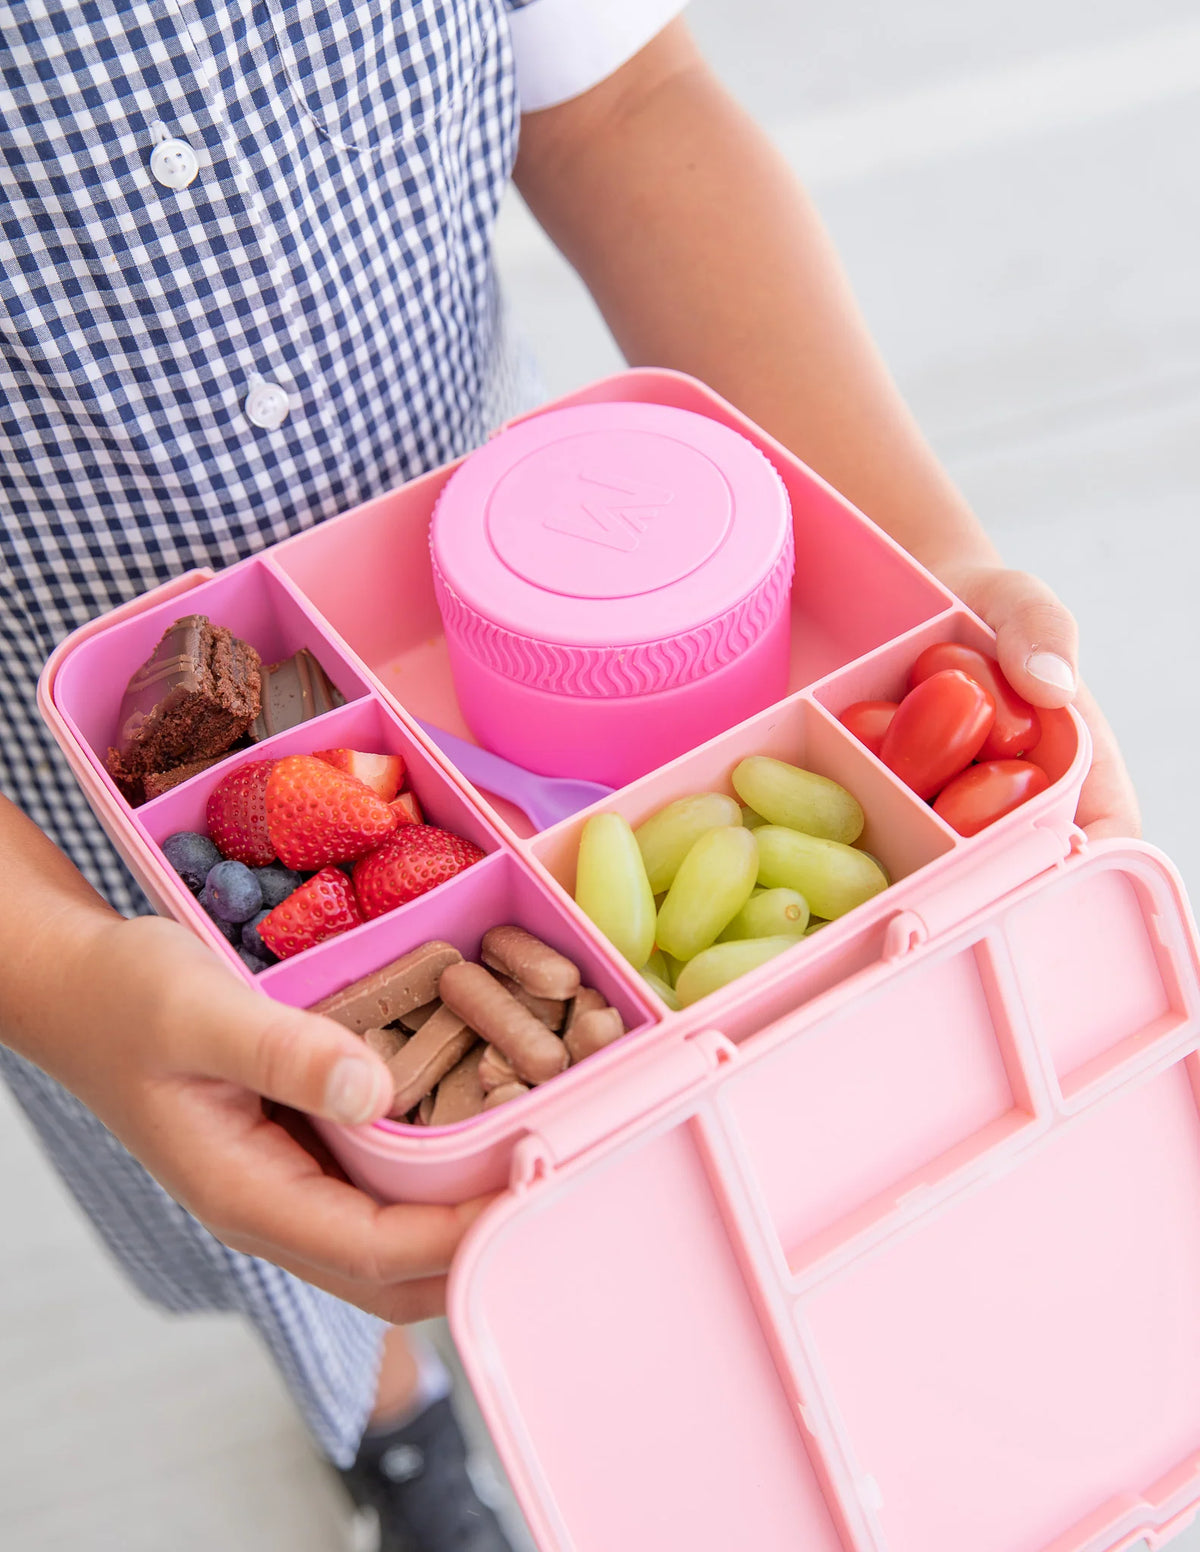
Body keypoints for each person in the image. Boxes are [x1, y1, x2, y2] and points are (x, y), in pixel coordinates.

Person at [0, 3, 1140, 1549]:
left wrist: (932, 557)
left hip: (553, 563)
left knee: (619, 1203)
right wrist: (57, 979)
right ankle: (391, 1425)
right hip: (60, 842)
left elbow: (627, 104)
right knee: (293, 1230)